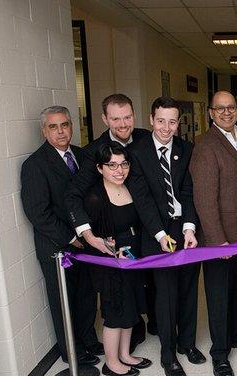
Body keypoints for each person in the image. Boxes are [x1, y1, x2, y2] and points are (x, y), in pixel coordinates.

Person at [65, 93, 153, 349]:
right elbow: (73, 195)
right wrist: (88, 235)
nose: (123, 124)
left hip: (145, 231)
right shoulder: (92, 153)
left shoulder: (147, 139)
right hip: (113, 236)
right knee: (119, 298)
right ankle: (124, 349)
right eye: (116, 119)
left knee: (142, 289)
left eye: (127, 117)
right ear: (105, 119)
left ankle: (146, 329)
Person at [127, 96, 202, 376]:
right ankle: (168, 354)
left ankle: (188, 344)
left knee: (188, 290)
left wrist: (190, 228)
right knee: (166, 294)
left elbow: (188, 191)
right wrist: (160, 234)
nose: (167, 128)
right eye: (161, 121)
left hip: (185, 232)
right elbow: (142, 198)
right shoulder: (137, 152)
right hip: (155, 233)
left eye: (172, 121)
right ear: (150, 120)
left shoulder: (186, 148)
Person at [190, 91, 237, 376]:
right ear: (210, 113)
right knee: (219, 297)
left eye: (231, 107)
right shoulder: (206, 146)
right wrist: (218, 241)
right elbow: (204, 200)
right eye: (220, 108)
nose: (226, 112)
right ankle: (220, 353)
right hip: (220, 240)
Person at [21, 106, 100, 366]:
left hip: (85, 242)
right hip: (58, 247)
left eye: (65, 125)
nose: (61, 131)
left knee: (86, 295)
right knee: (63, 299)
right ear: (44, 130)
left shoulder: (81, 155)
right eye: (53, 127)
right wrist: (72, 237)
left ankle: (89, 340)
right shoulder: (35, 165)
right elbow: (37, 212)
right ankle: (72, 351)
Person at [83, 142, 151, 376]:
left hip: (133, 258)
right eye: (112, 165)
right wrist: (112, 253)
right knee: (114, 313)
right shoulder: (95, 197)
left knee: (130, 308)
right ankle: (111, 363)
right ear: (100, 168)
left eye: (123, 164)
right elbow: (93, 238)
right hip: (110, 263)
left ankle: (125, 354)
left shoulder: (130, 185)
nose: (119, 170)